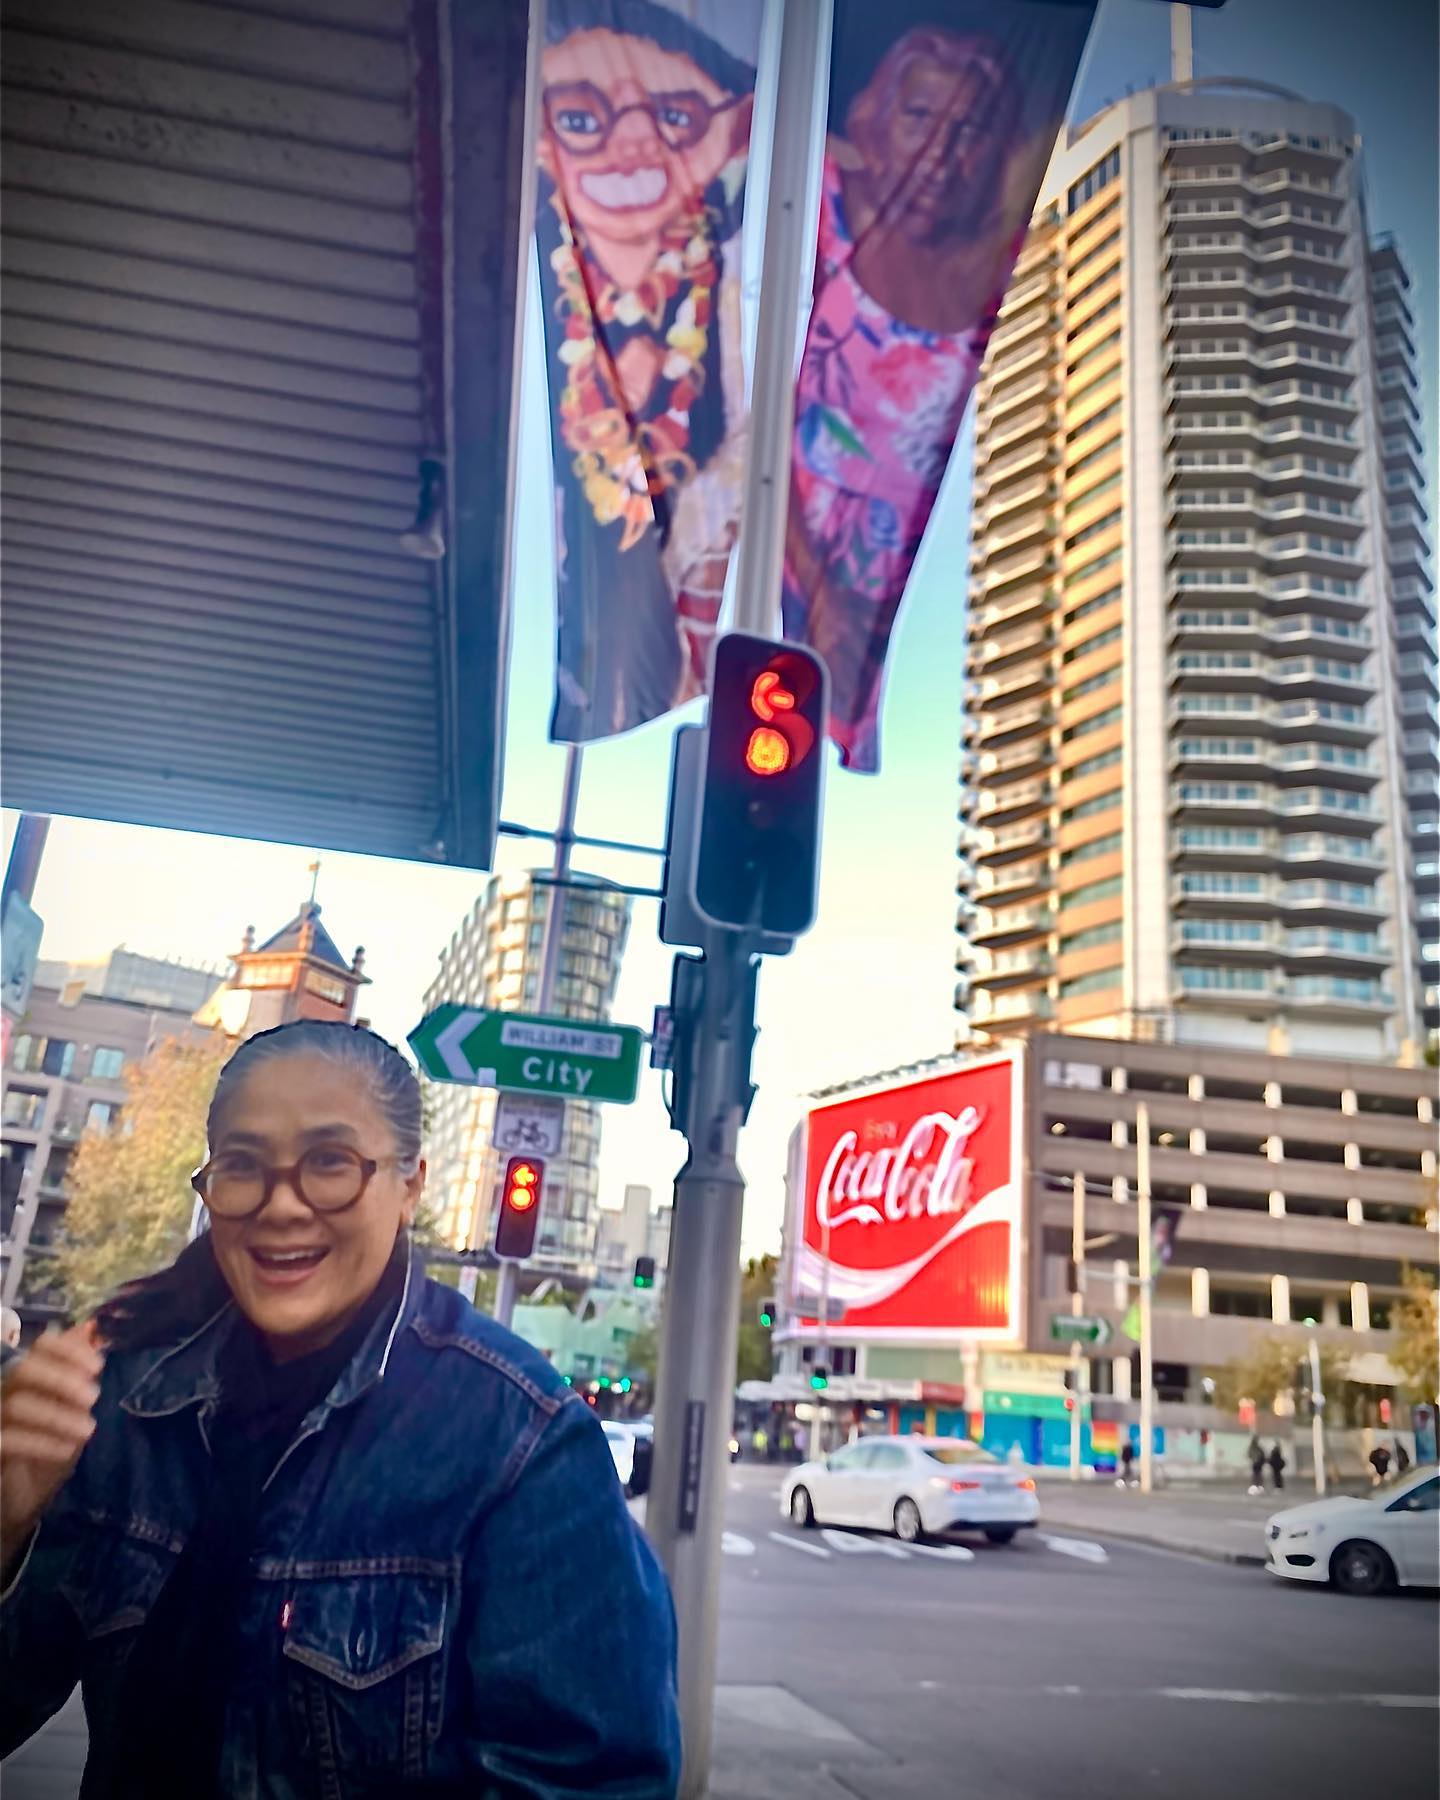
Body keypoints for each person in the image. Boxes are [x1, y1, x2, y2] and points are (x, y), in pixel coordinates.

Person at [0, 1021, 679, 1796]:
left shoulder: (522, 1443)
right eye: (243, 1167)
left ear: (410, 1186)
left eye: (329, 1163)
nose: (282, 1207)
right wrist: (5, 1523)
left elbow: (592, 1781)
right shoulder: (123, 1400)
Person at [782, 26, 1032, 772]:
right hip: (784, 568)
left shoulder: (996, 266)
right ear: (876, 121)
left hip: (875, 609)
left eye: (968, 132)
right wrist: (822, 593)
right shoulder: (816, 210)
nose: (939, 158)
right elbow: (756, 424)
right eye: (919, 118)